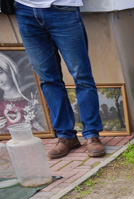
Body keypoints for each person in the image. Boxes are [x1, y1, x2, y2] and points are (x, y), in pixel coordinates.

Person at [14, 0, 105, 158]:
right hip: (25, 9)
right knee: (48, 79)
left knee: (81, 76)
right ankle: (66, 136)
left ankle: (92, 135)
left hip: (62, 8)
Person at [0, 53, 46, 133]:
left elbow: (44, 129)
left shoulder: (33, 100)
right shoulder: (1, 105)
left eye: (0, 73)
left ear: (10, 71)